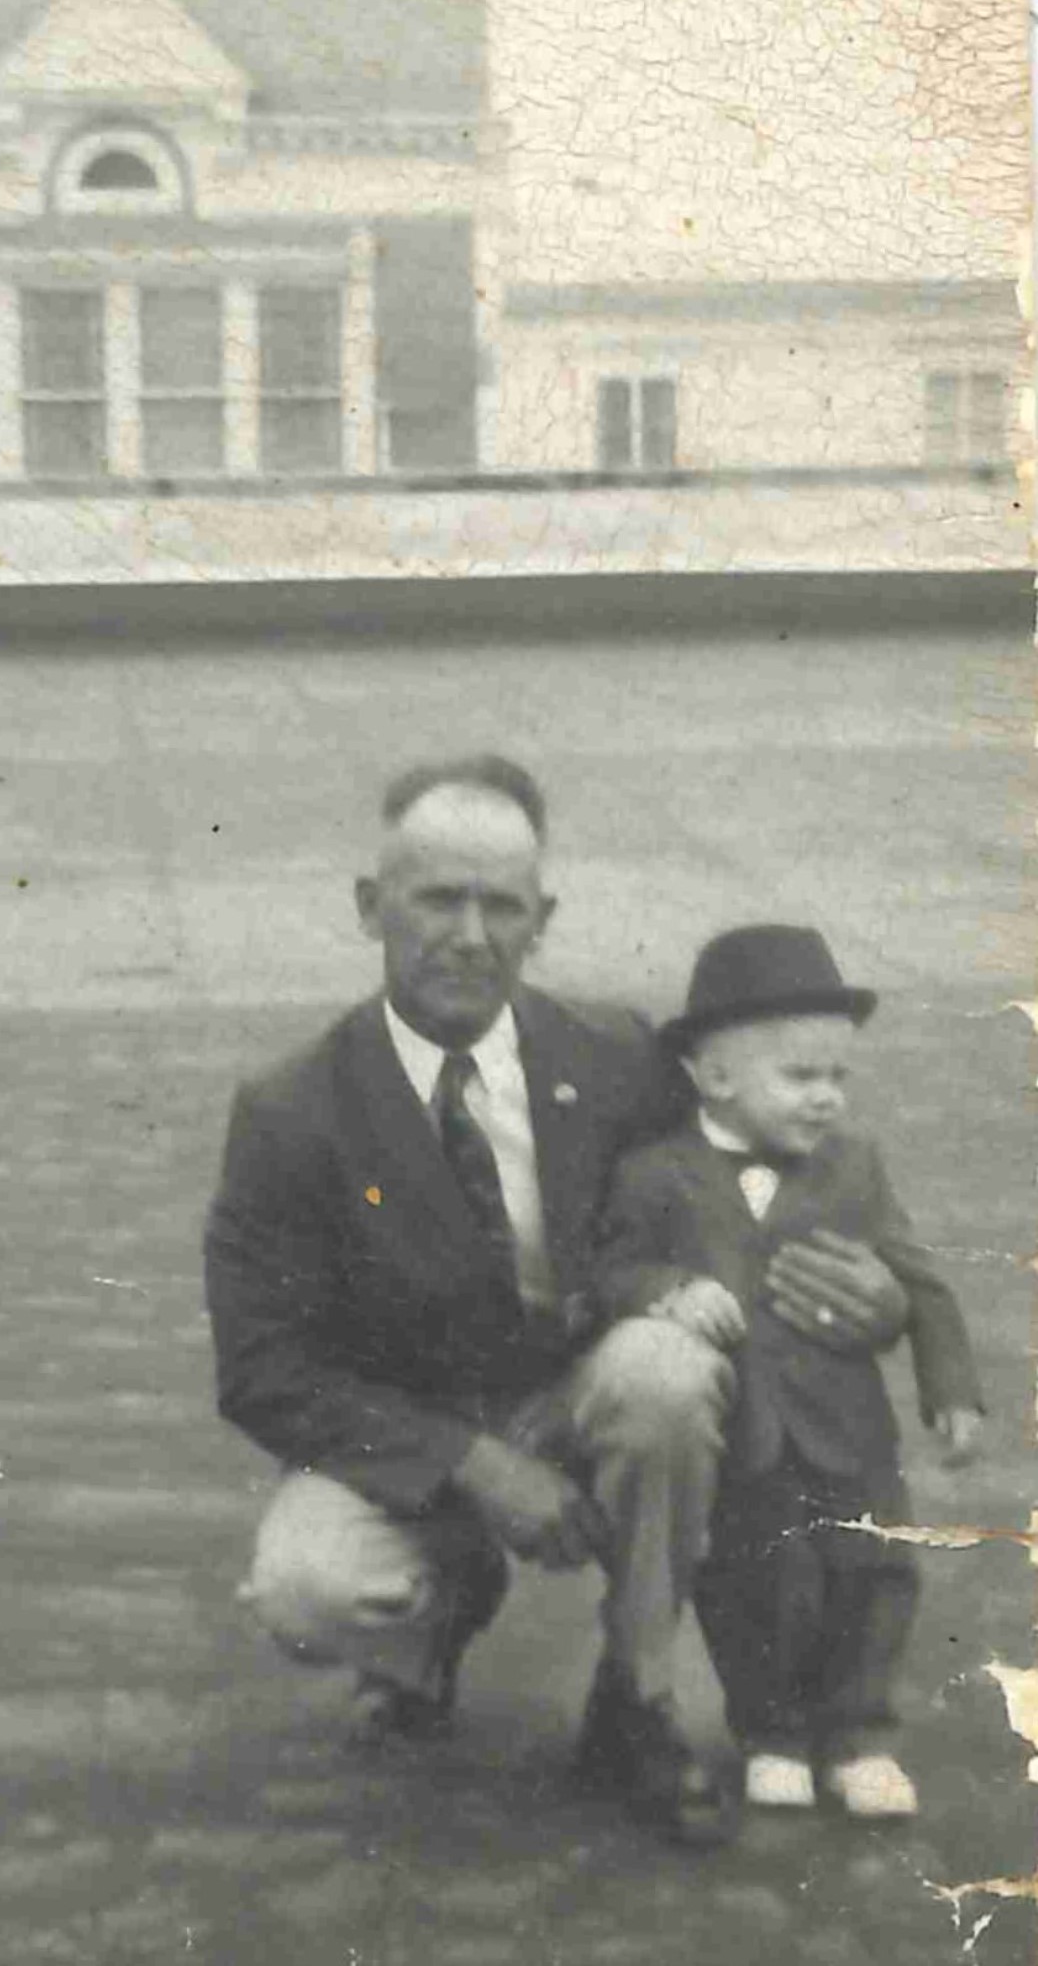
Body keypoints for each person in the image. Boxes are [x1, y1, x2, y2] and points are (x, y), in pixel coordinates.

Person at [202, 756, 911, 1845]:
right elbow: (264, 1369)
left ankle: (636, 1696)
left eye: (502, 905)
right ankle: (429, 1631)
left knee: (668, 1375)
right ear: (370, 906)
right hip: (414, 1433)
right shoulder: (292, 1109)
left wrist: (877, 1290)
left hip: (584, 1394)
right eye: (438, 899)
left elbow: (754, 1182)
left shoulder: (620, 1055)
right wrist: (469, 1464)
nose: (470, 934)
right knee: (309, 1586)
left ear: (544, 920)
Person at [592, 924, 984, 1820]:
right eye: (801, 1076)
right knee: (753, 1583)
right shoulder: (656, 1174)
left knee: (872, 1574)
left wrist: (952, 1393)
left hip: (850, 1427)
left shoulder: (855, 1165)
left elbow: (918, 1277)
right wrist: (669, 1291)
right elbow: (612, 1270)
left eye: (839, 1076)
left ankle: (860, 1739)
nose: (826, 1098)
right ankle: (770, 1734)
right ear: (715, 1076)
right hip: (747, 1434)